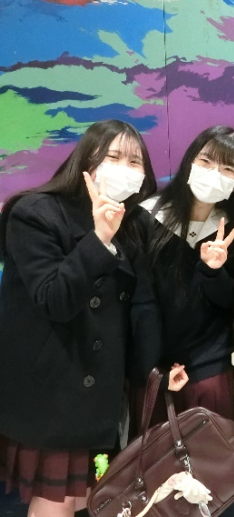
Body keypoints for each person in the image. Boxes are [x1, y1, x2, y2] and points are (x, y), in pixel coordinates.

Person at [0, 120, 187, 517]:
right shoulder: (34, 213)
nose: (125, 168)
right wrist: (99, 239)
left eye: (135, 162)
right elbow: (54, 299)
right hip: (53, 391)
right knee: (56, 500)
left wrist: (155, 368)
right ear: (86, 161)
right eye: (113, 156)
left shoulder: (134, 224)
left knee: (92, 497)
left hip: (104, 395)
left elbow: (144, 307)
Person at [133, 125, 234, 425]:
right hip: (155, 367)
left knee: (213, 452)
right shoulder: (147, 217)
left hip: (211, 368)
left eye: (228, 168)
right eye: (206, 161)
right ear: (189, 162)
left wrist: (213, 271)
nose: (214, 173)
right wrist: (152, 369)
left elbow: (230, 302)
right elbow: (140, 302)